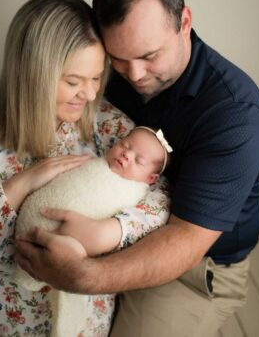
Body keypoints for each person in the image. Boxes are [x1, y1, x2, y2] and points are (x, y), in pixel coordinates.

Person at [16, 0, 259, 337]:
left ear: (184, 22)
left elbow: (185, 241)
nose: (134, 74)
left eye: (149, 56)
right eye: (118, 58)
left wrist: (82, 274)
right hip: (102, 226)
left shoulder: (235, 115)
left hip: (194, 267)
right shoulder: (105, 67)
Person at [0, 0, 169, 336]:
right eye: (74, 82)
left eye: (96, 78)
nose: (90, 94)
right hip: (0, 324)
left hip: (83, 324)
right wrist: (19, 187)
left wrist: (108, 232)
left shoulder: (103, 123)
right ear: (32, 75)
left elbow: (161, 195)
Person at [15, 126, 172, 337]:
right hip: (29, 227)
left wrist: (102, 233)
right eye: (125, 145)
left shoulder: (136, 194)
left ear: (150, 179)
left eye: (139, 161)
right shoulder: (94, 161)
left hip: (81, 252)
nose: (127, 154)